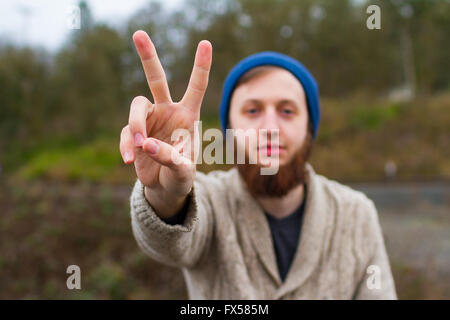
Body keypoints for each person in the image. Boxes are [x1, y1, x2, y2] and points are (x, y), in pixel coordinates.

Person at [119, 30, 397, 299]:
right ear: (230, 130)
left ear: (310, 129)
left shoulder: (357, 215)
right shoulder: (209, 202)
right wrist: (164, 194)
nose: (270, 127)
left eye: (287, 111)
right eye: (252, 111)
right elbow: (168, 244)